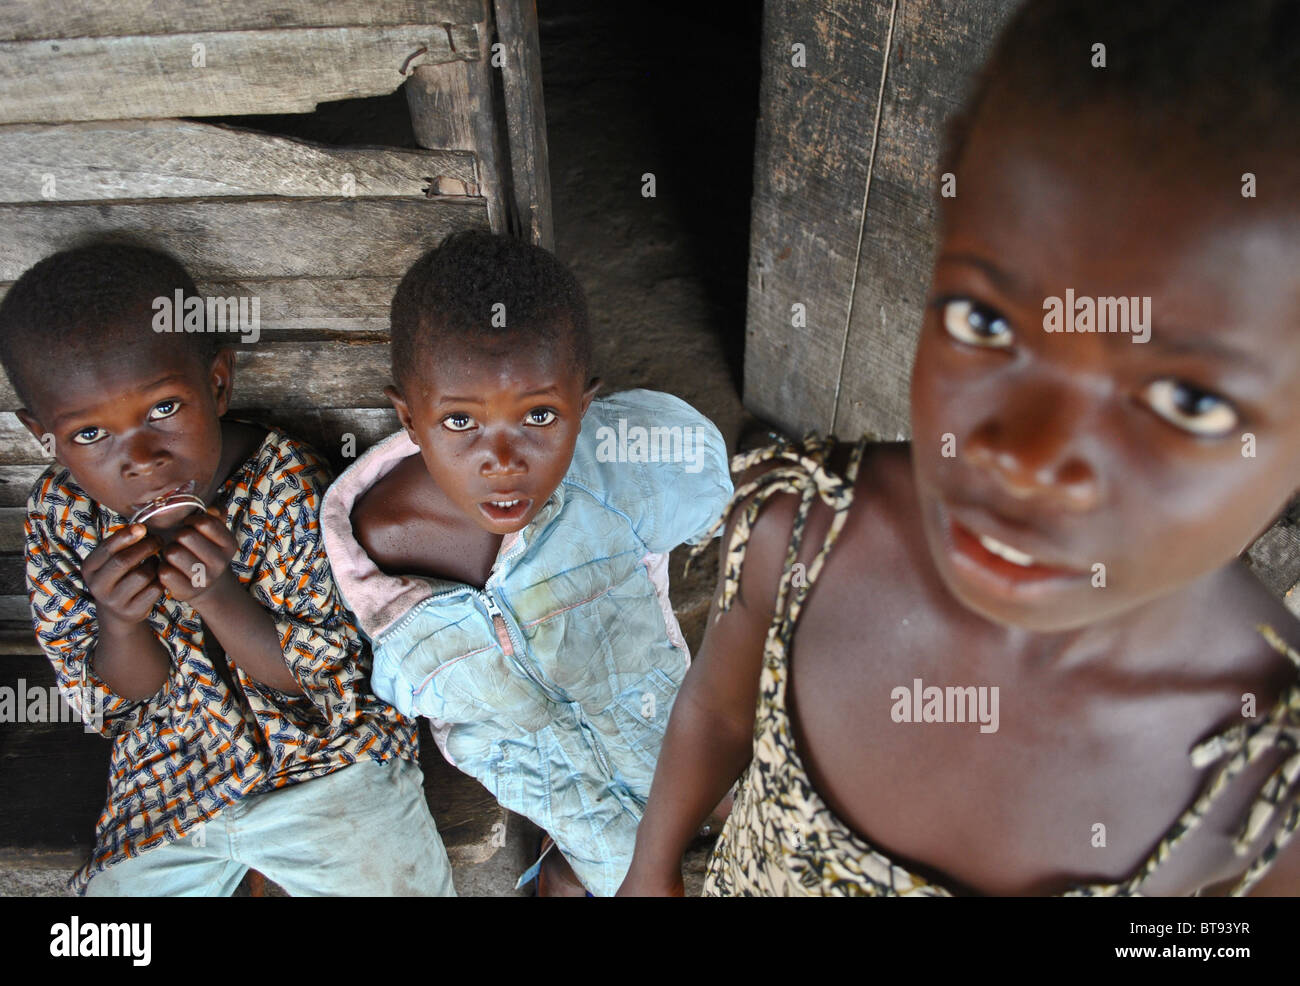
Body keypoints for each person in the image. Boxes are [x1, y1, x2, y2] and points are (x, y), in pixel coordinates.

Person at [620, 0, 1300, 896]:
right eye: (985, 320)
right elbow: (715, 710)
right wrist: (651, 869)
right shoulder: (802, 539)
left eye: (1189, 401)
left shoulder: (1264, 787)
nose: (1025, 455)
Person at [4, 245, 453, 895]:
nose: (141, 459)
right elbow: (123, 697)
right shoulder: (63, 516)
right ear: (42, 433)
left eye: (162, 409)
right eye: (90, 435)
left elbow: (317, 677)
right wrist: (120, 623)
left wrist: (218, 596)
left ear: (217, 384)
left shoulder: (283, 485)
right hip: (165, 788)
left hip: (325, 766)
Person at [320, 229, 732, 896]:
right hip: (536, 769)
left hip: (645, 703)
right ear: (408, 416)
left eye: (540, 416)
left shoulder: (612, 473)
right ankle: (562, 872)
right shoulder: (373, 547)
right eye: (460, 423)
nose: (503, 460)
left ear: (584, 408)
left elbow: (705, 483)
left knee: (736, 797)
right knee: (628, 866)